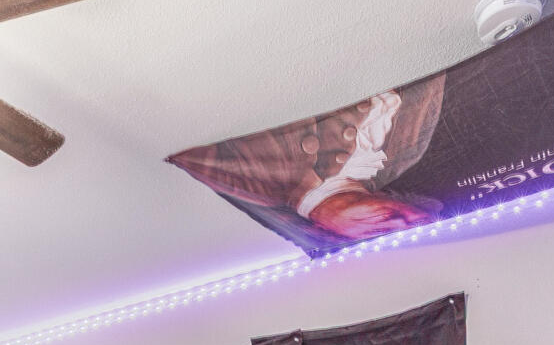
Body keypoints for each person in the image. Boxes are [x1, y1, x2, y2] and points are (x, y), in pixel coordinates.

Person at [168, 75, 447, 251]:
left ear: (333, 237)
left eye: (381, 234)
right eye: (416, 221)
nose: (399, 222)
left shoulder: (259, 183)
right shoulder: (409, 149)